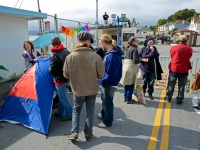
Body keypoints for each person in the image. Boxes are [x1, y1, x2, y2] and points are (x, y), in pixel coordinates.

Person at [63, 31, 105, 141]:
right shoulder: (95, 56)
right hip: (92, 88)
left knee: (76, 110)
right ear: (88, 41)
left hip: (77, 88)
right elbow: (101, 74)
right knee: (90, 110)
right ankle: (88, 133)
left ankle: (75, 132)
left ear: (78, 41)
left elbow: (66, 74)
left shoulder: (70, 57)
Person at [97, 34, 123, 128]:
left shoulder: (111, 56)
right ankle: (104, 114)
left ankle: (107, 121)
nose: (100, 46)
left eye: (100, 44)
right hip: (109, 83)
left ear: (104, 43)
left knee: (107, 102)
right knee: (105, 100)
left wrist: (102, 81)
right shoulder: (112, 53)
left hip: (109, 84)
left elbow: (110, 74)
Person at [49, 37, 72, 121]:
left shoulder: (54, 55)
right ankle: (60, 112)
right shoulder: (67, 51)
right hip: (67, 78)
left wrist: (48, 69)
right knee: (62, 97)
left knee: (63, 98)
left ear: (52, 44)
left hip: (59, 80)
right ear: (60, 42)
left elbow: (52, 70)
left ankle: (70, 114)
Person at [165, 35, 193, 104]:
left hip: (174, 68)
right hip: (184, 69)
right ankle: (179, 99)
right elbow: (189, 56)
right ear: (186, 40)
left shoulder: (174, 47)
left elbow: (171, 55)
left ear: (179, 40)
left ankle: (169, 97)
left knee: (171, 84)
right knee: (182, 85)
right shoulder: (189, 49)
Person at [119, 37, 140, 104]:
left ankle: (125, 97)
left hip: (126, 67)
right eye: (137, 41)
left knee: (126, 84)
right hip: (131, 68)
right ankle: (129, 99)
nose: (138, 42)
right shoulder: (134, 49)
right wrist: (141, 59)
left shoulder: (127, 48)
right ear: (133, 42)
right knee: (131, 84)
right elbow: (135, 60)